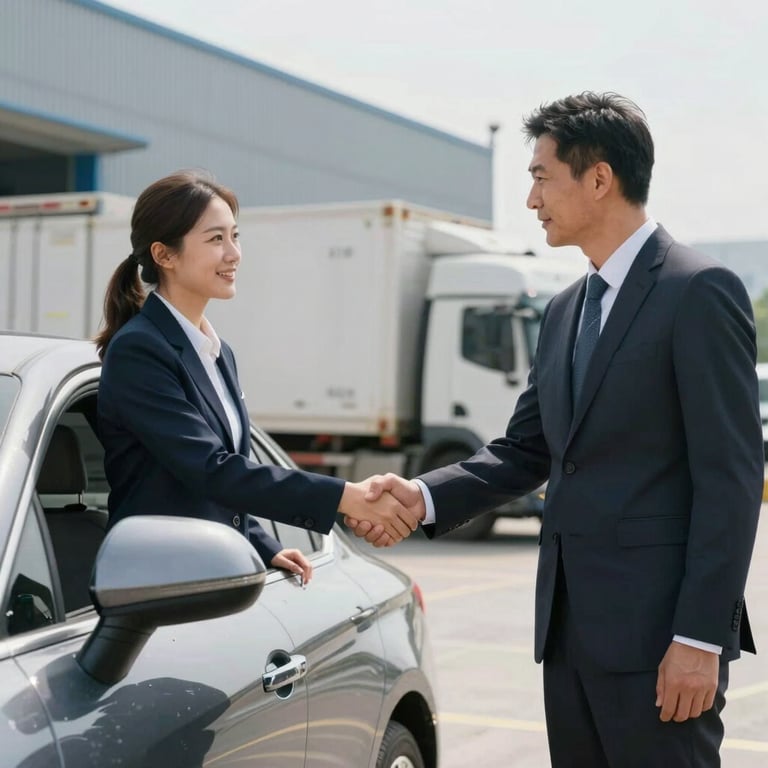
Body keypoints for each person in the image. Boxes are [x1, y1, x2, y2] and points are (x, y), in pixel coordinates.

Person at [349, 92, 763, 766]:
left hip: (661, 645)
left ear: (599, 178)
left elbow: (732, 476)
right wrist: (421, 496)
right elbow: (528, 451)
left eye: (541, 176)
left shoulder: (699, 290)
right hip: (569, 639)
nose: (531, 199)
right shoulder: (567, 308)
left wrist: (699, 638)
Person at [95, 171, 419, 585]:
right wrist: (347, 497)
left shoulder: (217, 352)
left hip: (212, 575)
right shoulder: (140, 350)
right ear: (165, 254)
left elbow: (223, 476)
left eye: (235, 236)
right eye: (215, 239)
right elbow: (210, 470)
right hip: (157, 582)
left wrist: (263, 544)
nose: (234, 254)